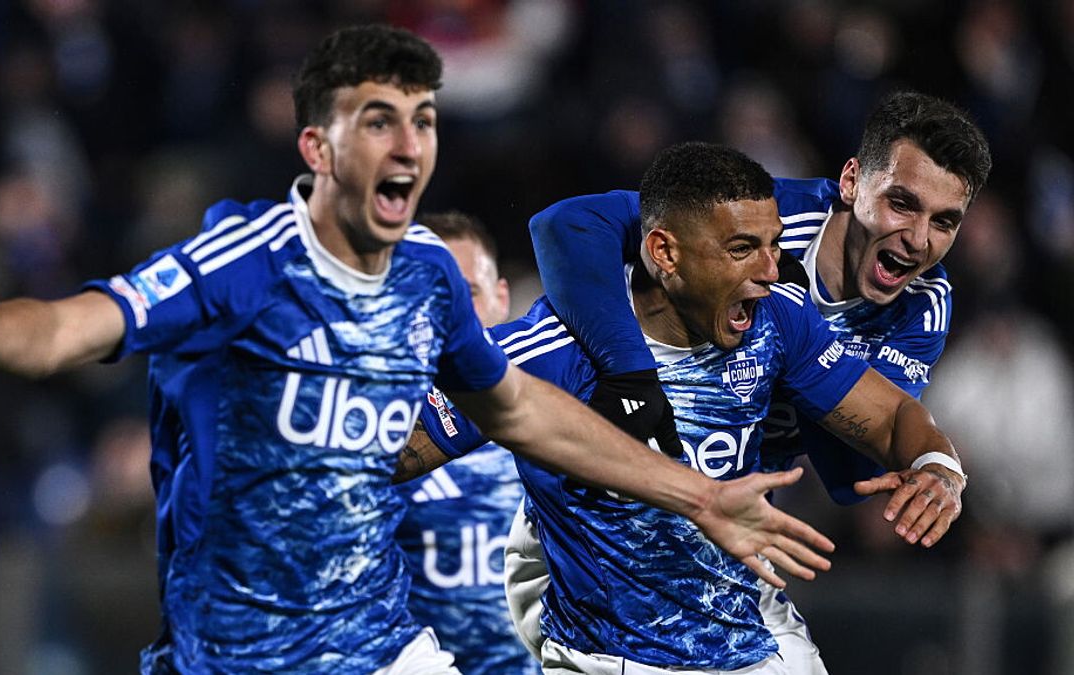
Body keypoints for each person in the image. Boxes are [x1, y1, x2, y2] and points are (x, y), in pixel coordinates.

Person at [0, 25, 834, 674]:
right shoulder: (243, 263)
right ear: (318, 146)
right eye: (379, 119)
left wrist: (698, 494)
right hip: (234, 652)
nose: (409, 144)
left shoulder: (429, 275)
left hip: (384, 646)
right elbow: (72, 326)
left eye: (423, 119)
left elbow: (516, 407)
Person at [412, 142, 968, 674]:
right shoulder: (551, 353)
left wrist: (939, 468)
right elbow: (391, 447)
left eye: (774, 246)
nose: (770, 270)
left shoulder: (776, 319)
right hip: (624, 654)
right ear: (665, 254)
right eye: (741, 249)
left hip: (746, 626)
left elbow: (891, 417)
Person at [393, 211, 539, 674]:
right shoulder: (372, 439)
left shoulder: (555, 417)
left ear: (501, 298)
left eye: (467, 294)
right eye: (428, 294)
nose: (449, 314)